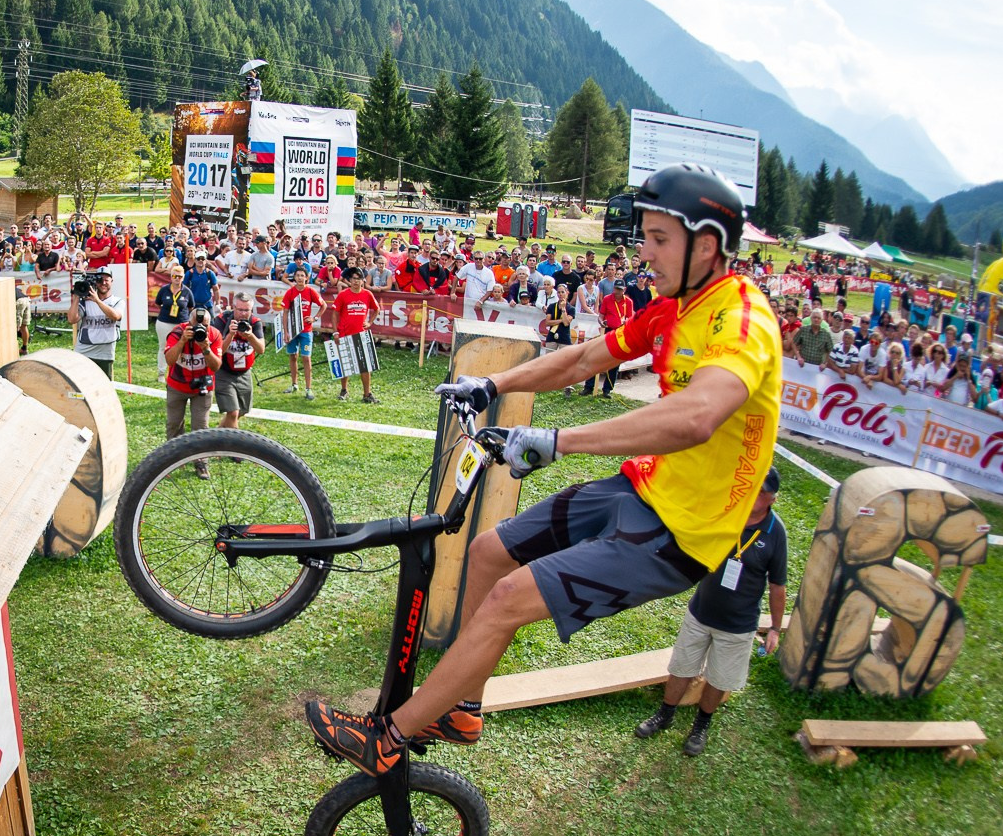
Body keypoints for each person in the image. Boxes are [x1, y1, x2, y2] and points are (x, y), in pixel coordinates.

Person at [305, 164, 782, 774]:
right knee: (486, 554)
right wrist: (491, 384)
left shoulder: (741, 320)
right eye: (646, 235)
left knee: (506, 598)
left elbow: (696, 417)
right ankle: (463, 706)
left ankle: (388, 738)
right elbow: (583, 358)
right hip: (640, 489)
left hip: (682, 536)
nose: (644, 250)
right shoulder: (674, 308)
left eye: (660, 238)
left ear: (707, 245)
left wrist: (558, 441)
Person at [634, 466, 787, 757]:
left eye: (762, 491)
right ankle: (665, 714)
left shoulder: (775, 533)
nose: (754, 494)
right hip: (701, 612)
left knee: (719, 679)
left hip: (738, 624)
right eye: (752, 487)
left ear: (772, 499)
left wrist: (776, 629)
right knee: (681, 667)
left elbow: (778, 586)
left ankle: (701, 726)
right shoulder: (729, 511)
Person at [164, 308, 224, 476]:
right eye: (197, 325)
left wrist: (206, 349)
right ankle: (173, 459)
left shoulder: (214, 335)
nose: (201, 329)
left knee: (201, 426)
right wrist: (182, 340)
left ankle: (201, 463)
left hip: (202, 387)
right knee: (174, 424)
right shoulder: (177, 332)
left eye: (204, 325)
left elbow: (216, 366)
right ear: (189, 323)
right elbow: (169, 360)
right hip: (178, 385)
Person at [331, 267, 380, 403]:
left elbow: (377, 309)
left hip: (361, 335)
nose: (356, 281)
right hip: (344, 333)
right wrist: (335, 332)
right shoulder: (343, 295)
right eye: (353, 278)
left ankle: (367, 394)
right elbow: (334, 314)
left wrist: (369, 322)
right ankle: (344, 389)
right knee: (345, 363)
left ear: (362, 280)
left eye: (358, 279)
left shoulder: (367, 294)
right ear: (350, 280)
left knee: (364, 365)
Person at [212, 304, 260, 429]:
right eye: (240, 310)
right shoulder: (222, 320)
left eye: (246, 310)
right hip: (224, 371)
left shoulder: (254, 322)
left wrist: (250, 336)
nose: (243, 313)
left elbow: (261, 349)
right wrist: (230, 335)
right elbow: (218, 351)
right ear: (234, 308)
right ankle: (234, 445)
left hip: (244, 372)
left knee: (242, 411)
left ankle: (217, 435)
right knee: (233, 413)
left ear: (251, 310)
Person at [280, 266, 325, 399]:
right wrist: (286, 332)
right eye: (297, 275)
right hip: (293, 331)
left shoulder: (311, 291)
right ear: (294, 277)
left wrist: (314, 318)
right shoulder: (290, 292)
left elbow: (324, 305)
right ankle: (294, 384)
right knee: (293, 356)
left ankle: (308, 388)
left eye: (302, 276)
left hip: (306, 330)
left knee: (306, 358)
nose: (300, 278)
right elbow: (285, 313)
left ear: (306, 278)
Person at [73, 269, 124, 377]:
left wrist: (97, 301)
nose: (103, 283)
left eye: (106, 280)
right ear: (95, 282)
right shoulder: (86, 302)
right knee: (81, 387)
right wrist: (77, 296)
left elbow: (115, 316)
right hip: (84, 351)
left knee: (104, 388)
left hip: (105, 354)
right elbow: (72, 319)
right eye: (100, 280)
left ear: (112, 281)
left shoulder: (117, 301)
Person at [155, 267, 194, 339]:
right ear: (171, 277)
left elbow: (191, 307)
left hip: (182, 324)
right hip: (164, 322)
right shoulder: (164, 289)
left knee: (182, 347)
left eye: (180, 276)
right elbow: (157, 303)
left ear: (183, 278)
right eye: (174, 276)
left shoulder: (187, 291)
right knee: (164, 347)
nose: (177, 278)